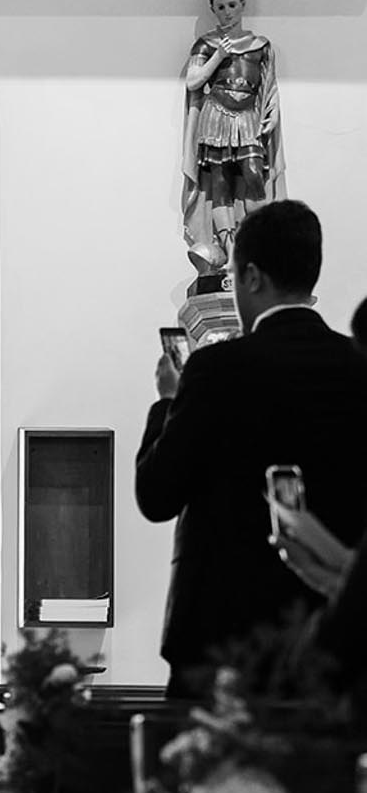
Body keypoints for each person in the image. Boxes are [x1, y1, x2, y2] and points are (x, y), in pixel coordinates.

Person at [136, 199, 367, 701]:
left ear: (253, 277)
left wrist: (167, 403)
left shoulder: (215, 370)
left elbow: (156, 494)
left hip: (220, 646)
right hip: (330, 641)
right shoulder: (358, 368)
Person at [181, 0, 284, 275]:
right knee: (221, 185)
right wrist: (218, 56)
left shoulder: (260, 45)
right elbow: (194, 81)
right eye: (220, 7)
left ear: (242, 5)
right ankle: (231, 252)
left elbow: (269, 85)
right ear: (213, 10)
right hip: (216, 114)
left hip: (248, 115)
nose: (227, 12)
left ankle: (258, 245)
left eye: (231, 5)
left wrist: (273, 113)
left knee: (254, 175)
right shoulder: (207, 44)